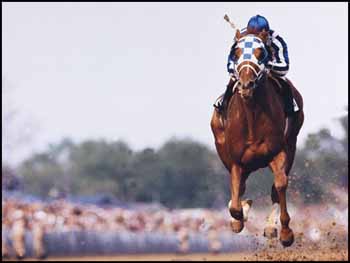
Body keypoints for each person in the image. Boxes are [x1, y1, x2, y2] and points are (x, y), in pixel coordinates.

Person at [214, 15, 298, 122]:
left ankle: (290, 110)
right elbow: (231, 60)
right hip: (248, 70)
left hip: (271, 71)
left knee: (285, 84)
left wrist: (268, 65)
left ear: (266, 33)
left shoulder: (277, 40)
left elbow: (284, 67)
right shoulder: (241, 37)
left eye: (260, 36)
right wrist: (235, 72)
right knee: (233, 82)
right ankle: (223, 104)